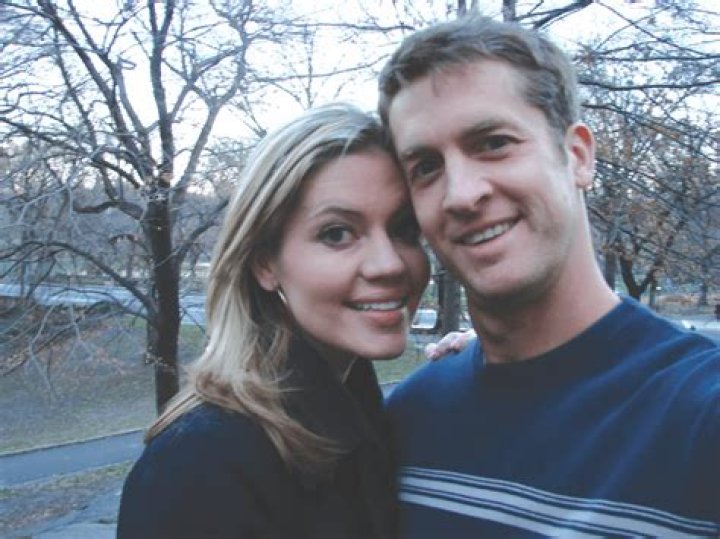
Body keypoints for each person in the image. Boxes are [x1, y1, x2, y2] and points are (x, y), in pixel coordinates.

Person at [378, 15, 719, 537]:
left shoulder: (700, 414)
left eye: (493, 143)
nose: (461, 194)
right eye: (426, 167)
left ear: (578, 156)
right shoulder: (408, 419)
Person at [117, 103, 430, 538]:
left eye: (404, 230)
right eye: (337, 233)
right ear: (265, 263)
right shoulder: (204, 463)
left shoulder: (367, 422)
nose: (390, 264)